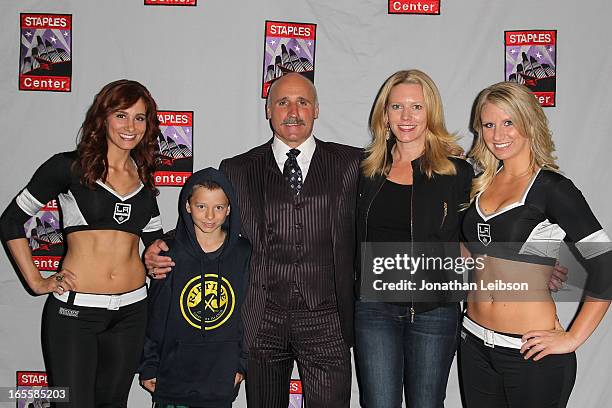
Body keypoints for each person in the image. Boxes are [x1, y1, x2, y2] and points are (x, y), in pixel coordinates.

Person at [145, 72, 361, 408]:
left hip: (327, 317)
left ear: (316, 110)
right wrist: (163, 244)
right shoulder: (237, 168)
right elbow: (210, 222)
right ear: (268, 111)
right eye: (282, 102)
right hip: (261, 316)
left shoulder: (351, 163)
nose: (293, 111)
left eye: (303, 102)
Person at [0, 79, 164, 406]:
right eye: (121, 115)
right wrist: (36, 281)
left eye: (140, 117)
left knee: (113, 403)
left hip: (132, 312)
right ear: (103, 118)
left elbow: (154, 240)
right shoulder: (68, 166)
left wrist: (156, 256)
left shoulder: (144, 175)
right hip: (75, 314)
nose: (131, 126)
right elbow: (10, 221)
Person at [460, 81, 612, 407]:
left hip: (530, 352)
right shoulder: (480, 184)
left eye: (508, 122)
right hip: (473, 343)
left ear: (529, 121)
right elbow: (475, 253)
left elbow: (605, 263)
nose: (498, 134)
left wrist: (573, 337)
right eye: (489, 124)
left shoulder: (552, 188)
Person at [354, 69, 473, 408]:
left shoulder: (457, 172)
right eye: (396, 107)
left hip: (435, 310)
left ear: (430, 113)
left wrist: (534, 267)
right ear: (384, 114)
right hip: (375, 308)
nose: (406, 117)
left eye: (416, 107)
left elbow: (484, 232)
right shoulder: (364, 169)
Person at [138, 167, 251, 408]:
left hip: (220, 376)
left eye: (218, 207)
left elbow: (249, 313)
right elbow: (156, 314)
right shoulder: (169, 253)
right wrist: (149, 363)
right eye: (201, 206)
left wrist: (242, 362)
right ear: (188, 206)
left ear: (229, 209)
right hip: (173, 376)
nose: (210, 216)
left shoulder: (243, 253)